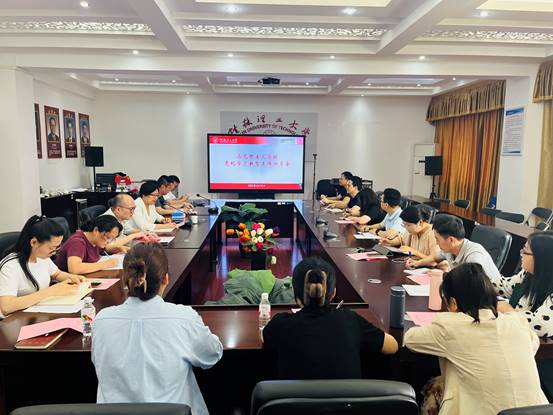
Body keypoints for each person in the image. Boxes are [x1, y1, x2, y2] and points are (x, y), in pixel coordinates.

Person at [92, 243, 223, 414]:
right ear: (166, 279)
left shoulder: (101, 320)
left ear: (126, 279)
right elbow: (212, 354)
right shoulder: (183, 318)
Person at [404, 263, 548, 415]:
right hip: (538, 411)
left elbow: (410, 339)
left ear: (453, 303)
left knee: (435, 387)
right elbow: (533, 345)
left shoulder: (451, 326)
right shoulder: (517, 322)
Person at [262, 257, 398, 379]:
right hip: (346, 400)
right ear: (333, 293)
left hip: (293, 400)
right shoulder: (350, 320)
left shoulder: (281, 324)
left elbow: (264, 338)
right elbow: (393, 346)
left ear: (294, 292)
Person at [0, 216, 86, 317]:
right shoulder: (10, 266)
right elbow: (7, 307)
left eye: (57, 248)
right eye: (51, 248)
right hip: (16, 319)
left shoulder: (41, 257)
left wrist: (71, 277)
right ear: (34, 242)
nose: (54, 253)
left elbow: (57, 274)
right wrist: (50, 291)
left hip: (37, 313)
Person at [493, 231, 553, 337]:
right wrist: (479, 282)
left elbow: (541, 326)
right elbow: (504, 287)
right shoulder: (528, 273)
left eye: (525, 251)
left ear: (540, 258)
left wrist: (507, 309)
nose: (521, 254)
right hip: (517, 334)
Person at [406, 214, 501, 280]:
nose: (436, 243)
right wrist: (418, 263)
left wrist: (444, 275)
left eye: (437, 239)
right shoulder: (450, 249)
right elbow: (435, 257)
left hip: (488, 297)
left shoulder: (474, 257)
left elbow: (470, 283)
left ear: (451, 240)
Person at [55, 215, 122, 274]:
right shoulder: (77, 242)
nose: (109, 241)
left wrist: (116, 249)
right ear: (96, 230)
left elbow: (103, 250)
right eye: (108, 237)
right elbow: (75, 269)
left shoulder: (96, 241)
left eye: (112, 239)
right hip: (67, 281)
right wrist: (105, 264)